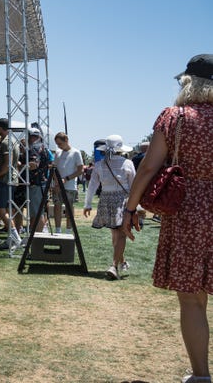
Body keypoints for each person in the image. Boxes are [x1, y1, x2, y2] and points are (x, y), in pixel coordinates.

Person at [122, 54, 213, 383]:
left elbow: (148, 168)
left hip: (188, 211)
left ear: (188, 82)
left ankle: (202, 376)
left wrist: (130, 208)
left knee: (192, 299)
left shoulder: (174, 117)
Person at [83, 135, 135, 280]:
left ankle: (121, 261)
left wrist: (87, 204)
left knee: (115, 234)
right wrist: (137, 206)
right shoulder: (128, 163)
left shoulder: (99, 164)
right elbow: (134, 186)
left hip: (106, 200)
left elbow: (92, 185)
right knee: (121, 233)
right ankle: (114, 265)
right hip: (122, 200)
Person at [0, 118, 22, 253]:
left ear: (0, 128)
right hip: (11, 180)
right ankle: (10, 238)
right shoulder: (14, 141)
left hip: (5, 181)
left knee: (1, 210)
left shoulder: (6, 143)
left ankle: (16, 237)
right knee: (6, 211)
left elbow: (7, 165)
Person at [52, 132, 84, 234]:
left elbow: (80, 170)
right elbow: (54, 169)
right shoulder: (57, 152)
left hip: (70, 186)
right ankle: (58, 230)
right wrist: (56, 183)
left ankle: (68, 230)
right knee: (57, 206)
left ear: (66, 140)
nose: (59, 146)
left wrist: (66, 179)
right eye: (57, 144)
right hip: (57, 185)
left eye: (60, 143)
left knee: (69, 208)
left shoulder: (76, 152)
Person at [26, 128, 53, 234]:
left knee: (37, 213)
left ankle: (37, 238)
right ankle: (34, 237)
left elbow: (33, 165)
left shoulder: (35, 148)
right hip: (42, 183)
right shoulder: (44, 148)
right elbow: (50, 163)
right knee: (37, 212)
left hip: (36, 183)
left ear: (31, 136)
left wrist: (20, 167)